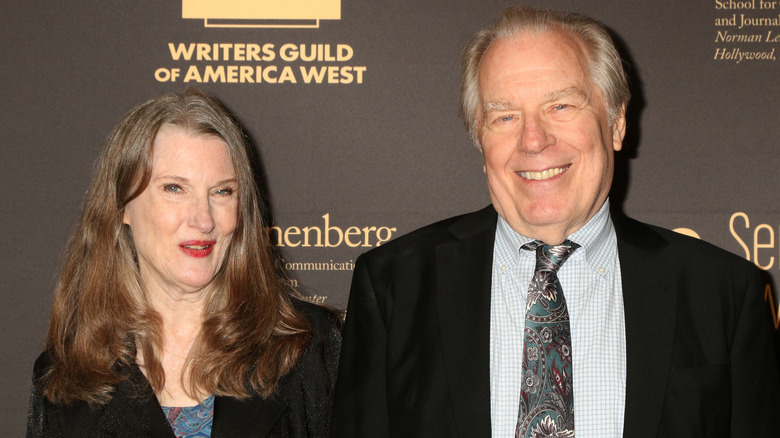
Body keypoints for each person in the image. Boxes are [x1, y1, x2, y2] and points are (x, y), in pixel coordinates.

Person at [331, 5, 780, 437]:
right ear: (479, 141)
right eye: (504, 116)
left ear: (617, 123)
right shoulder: (395, 285)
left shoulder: (721, 291)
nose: (533, 140)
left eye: (560, 106)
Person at [27, 89, 341, 437]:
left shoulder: (310, 350)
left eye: (222, 191)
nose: (204, 219)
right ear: (121, 206)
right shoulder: (66, 378)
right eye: (174, 188)